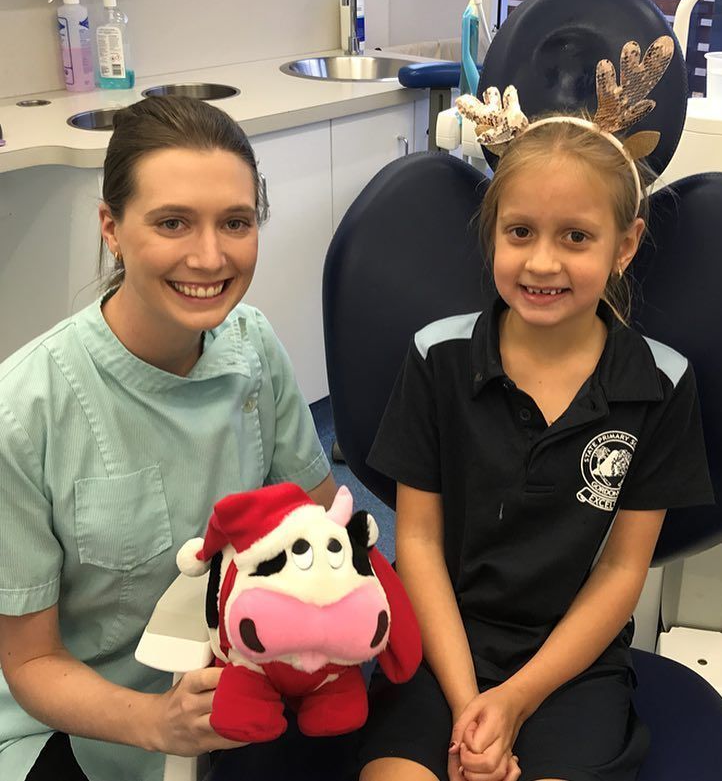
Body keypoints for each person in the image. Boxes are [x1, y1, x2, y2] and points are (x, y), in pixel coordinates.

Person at [357, 116, 715, 781]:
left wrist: (515, 699)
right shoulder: (436, 357)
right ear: (492, 232)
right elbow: (420, 543)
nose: (542, 262)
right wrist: (469, 706)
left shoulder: (662, 384)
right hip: (442, 640)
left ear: (625, 245)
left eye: (576, 236)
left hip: (571, 662)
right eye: (520, 232)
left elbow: (621, 570)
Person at [0, 96, 337, 781]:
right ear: (112, 228)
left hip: (248, 683)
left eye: (235, 222)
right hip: (89, 722)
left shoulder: (253, 346)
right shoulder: (25, 412)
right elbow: (32, 660)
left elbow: (323, 518)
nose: (209, 257)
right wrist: (158, 722)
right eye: (172, 222)